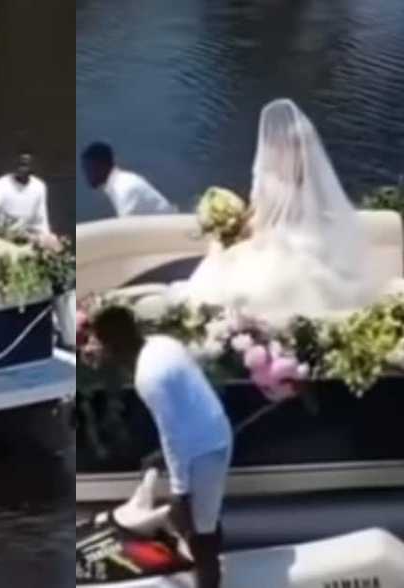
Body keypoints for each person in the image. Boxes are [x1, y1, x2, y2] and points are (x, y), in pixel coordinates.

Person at [179, 99, 382, 324]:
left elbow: (261, 221)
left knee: (234, 276)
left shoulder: (274, 180)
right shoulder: (299, 181)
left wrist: (235, 233)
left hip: (284, 247)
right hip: (303, 245)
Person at [91, 305, 232, 588]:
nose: (97, 350)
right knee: (202, 517)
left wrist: (180, 492)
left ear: (113, 345)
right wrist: (161, 459)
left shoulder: (149, 377)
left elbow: (173, 435)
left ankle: (210, 575)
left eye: (100, 344)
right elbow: (184, 408)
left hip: (206, 452)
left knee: (198, 535)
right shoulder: (161, 344)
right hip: (210, 433)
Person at [81, 142, 177, 216]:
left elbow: (128, 233)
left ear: (100, 166)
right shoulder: (122, 181)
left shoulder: (124, 188)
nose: (86, 174)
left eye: (88, 168)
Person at [0, 148, 52, 235]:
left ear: (32, 166)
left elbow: (41, 218)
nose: (21, 168)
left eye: (25, 165)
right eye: (19, 164)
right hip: (1, 233)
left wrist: (46, 237)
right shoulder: (1, 184)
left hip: (27, 235)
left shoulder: (39, 187)